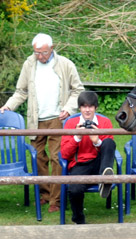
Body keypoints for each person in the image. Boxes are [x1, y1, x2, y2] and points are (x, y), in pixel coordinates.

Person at [0, 33, 84, 213]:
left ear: (52, 48)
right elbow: (21, 91)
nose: (40, 56)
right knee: (38, 157)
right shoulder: (29, 64)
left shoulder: (66, 64)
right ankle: (45, 195)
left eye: (43, 52)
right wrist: (7, 107)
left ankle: (57, 200)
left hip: (57, 119)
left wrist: (69, 109)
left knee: (57, 158)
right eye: (37, 52)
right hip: (35, 120)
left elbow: (78, 90)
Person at [60, 91, 116, 225]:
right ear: (79, 108)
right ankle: (79, 219)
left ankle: (105, 178)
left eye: (90, 106)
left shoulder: (105, 122)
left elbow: (109, 148)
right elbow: (65, 154)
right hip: (80, 164)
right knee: (74, 189)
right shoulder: (71, 123)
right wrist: (77, 137)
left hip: (100, 163)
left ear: (95, 107)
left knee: (108, 142)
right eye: (84, 106)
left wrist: (96, 141)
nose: (87, 110)